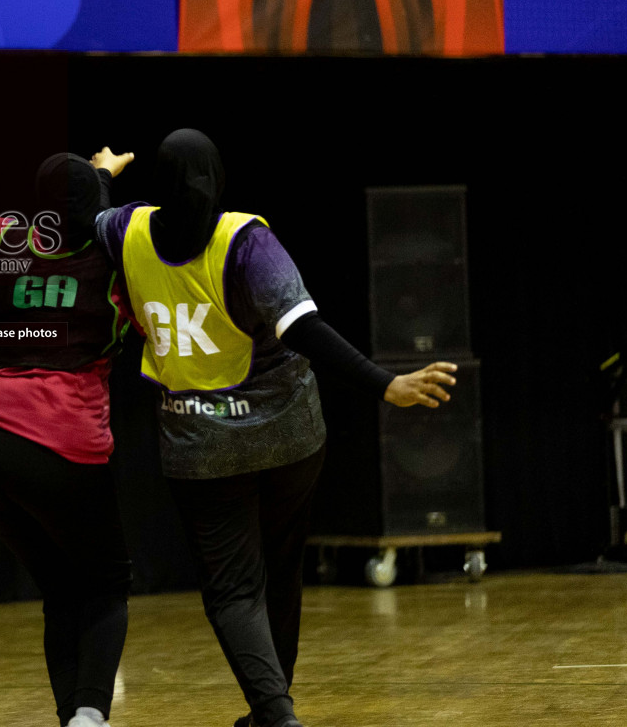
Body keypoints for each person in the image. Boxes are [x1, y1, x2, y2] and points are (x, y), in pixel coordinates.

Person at [94, 129, 456, 727]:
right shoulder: (245, 240)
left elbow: (89, 211)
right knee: (283, 569)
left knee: (234, 589)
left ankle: (274, 712)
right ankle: (274, 707)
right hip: (288, 437)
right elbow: (302, 329)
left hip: (198, 445)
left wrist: (104, 173)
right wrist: (384, 384)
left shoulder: (126, 230)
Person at [0, 97, 136, 727]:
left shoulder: (9, 245)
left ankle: (71, 715)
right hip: (68, 445)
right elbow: (92, 215)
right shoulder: (115, 259)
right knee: (104, 584)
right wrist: (100, 180)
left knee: (59, 589)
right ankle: (90, 716)